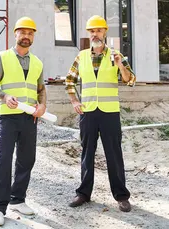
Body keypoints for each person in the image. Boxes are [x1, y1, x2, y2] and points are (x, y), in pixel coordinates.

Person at [64, 15, 136, 212]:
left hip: (109, 112)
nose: (95, 34)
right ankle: (83, 194)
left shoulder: (116, 55)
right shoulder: (81, 56)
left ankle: (121, 196)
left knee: (114, 154)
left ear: (105, 32)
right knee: (87, 154)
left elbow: (130, 80)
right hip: (88, 112)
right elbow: (69, 81)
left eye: (98, 30)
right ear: (89, 34)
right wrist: (74, 100)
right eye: (92, 31)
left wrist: (120, 64)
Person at [0, 16, 46, 226]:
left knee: (27, 159)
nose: (26, 36)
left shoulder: (37, 63)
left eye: (30, 33)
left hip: (30, 118)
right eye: (23, 32)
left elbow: (41, 90)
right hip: (9, 117)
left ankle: (18, 200)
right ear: (15, 34)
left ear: (33, 37)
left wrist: (42, 106)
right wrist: (4, 97)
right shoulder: (3, 57)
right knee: (4, 160)